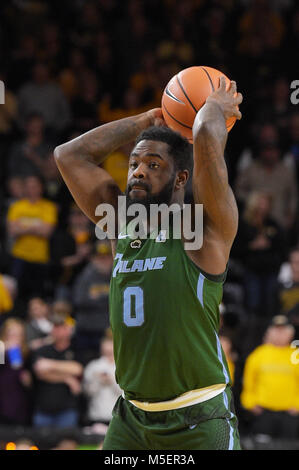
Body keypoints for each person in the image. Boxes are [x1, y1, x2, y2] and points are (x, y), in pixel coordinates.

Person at [54, 76, 243, 450]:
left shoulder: (203, 230)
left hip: (198, 417)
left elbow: (205, 135)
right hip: (131, 419)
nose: (138, 171)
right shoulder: (118, 224)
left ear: (180, 178)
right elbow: (68, 155)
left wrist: (213, 108)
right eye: (134, 163)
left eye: (154, 165)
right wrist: (144, 121)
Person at [240, 315, 299, 440]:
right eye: (276, 330)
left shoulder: (296, 355)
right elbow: (248, 383)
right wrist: (250, 403)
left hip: (290, 414)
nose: (279, 334)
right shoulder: (258, 354)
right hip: (263, 413)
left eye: (283, 330)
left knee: (289, 445)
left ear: (291, 333)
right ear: (269, 332)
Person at [6, 175, 58, 300]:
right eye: (28, 186)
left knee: (38, 296)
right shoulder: (17, 206)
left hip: (40, 258)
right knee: (16, 296)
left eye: (34, 186)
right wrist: (37, 226)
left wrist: (23, 226)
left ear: (41, 188)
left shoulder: (49, 207)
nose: (31, 189)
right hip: (19, 256)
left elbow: (46, 232)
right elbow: (12, 231)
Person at [31, 313, 83, 428]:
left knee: (66, 443)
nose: (57, 331)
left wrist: (50, 364)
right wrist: (66, 378)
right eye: (55, 327)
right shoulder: (43, 350)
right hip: (43, 407)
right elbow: (40, 371)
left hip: (67, 408)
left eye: (61, 327)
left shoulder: (76, 349)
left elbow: (77, 369)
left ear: (69, 330)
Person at [83, 335, 122, 425]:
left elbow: (126, 393)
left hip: (118, 415)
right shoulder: (94, 366)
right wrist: (98, 381)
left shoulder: (122, 367)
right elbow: (87, 392)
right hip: (97, 414)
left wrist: (111, 381)